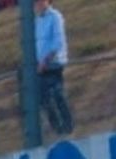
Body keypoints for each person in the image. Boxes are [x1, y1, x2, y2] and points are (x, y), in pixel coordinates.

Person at [34, 0, 73, 135]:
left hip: (53, 64)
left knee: (57, 94)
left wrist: (45, 61)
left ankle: (68, 126)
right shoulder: (37, 21)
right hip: (41, 66)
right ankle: (58, 129)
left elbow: (58, 43)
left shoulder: (55, 17)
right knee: (43, 98)